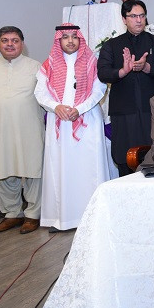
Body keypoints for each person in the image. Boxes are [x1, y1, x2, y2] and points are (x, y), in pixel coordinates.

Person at [35, 24, 111, 231]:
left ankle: (93, 219)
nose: (70, 41)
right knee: (62, 168)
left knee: (89, 168)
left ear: (80, 39)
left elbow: (99, 90)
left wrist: (80, 108)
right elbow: (40, 93)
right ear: (58, 41)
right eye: (65, 37)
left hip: (87, 120)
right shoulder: (49, 65)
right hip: (59, 121)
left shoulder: (92, 62)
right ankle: (64, 219)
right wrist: (56, 107)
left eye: (74, 37)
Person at [0, 26, 45, 234]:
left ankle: (33, 214)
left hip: (29, 128)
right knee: (2, 170)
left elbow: (45, 98)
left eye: (14, 40)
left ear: (22, 44)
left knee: (33, 170)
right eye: (5, 40)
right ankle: (12, 214)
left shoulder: (36, 67)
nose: (10, 44)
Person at [97, 0, 154, 176]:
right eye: (133, 16)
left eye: (142, 16)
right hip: (124, 112)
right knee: (125, 159)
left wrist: (146, 67)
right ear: (124, 19)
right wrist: (123, 71)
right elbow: (103, 73)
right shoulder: (111, 45)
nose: (138, 20)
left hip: (152, 111)